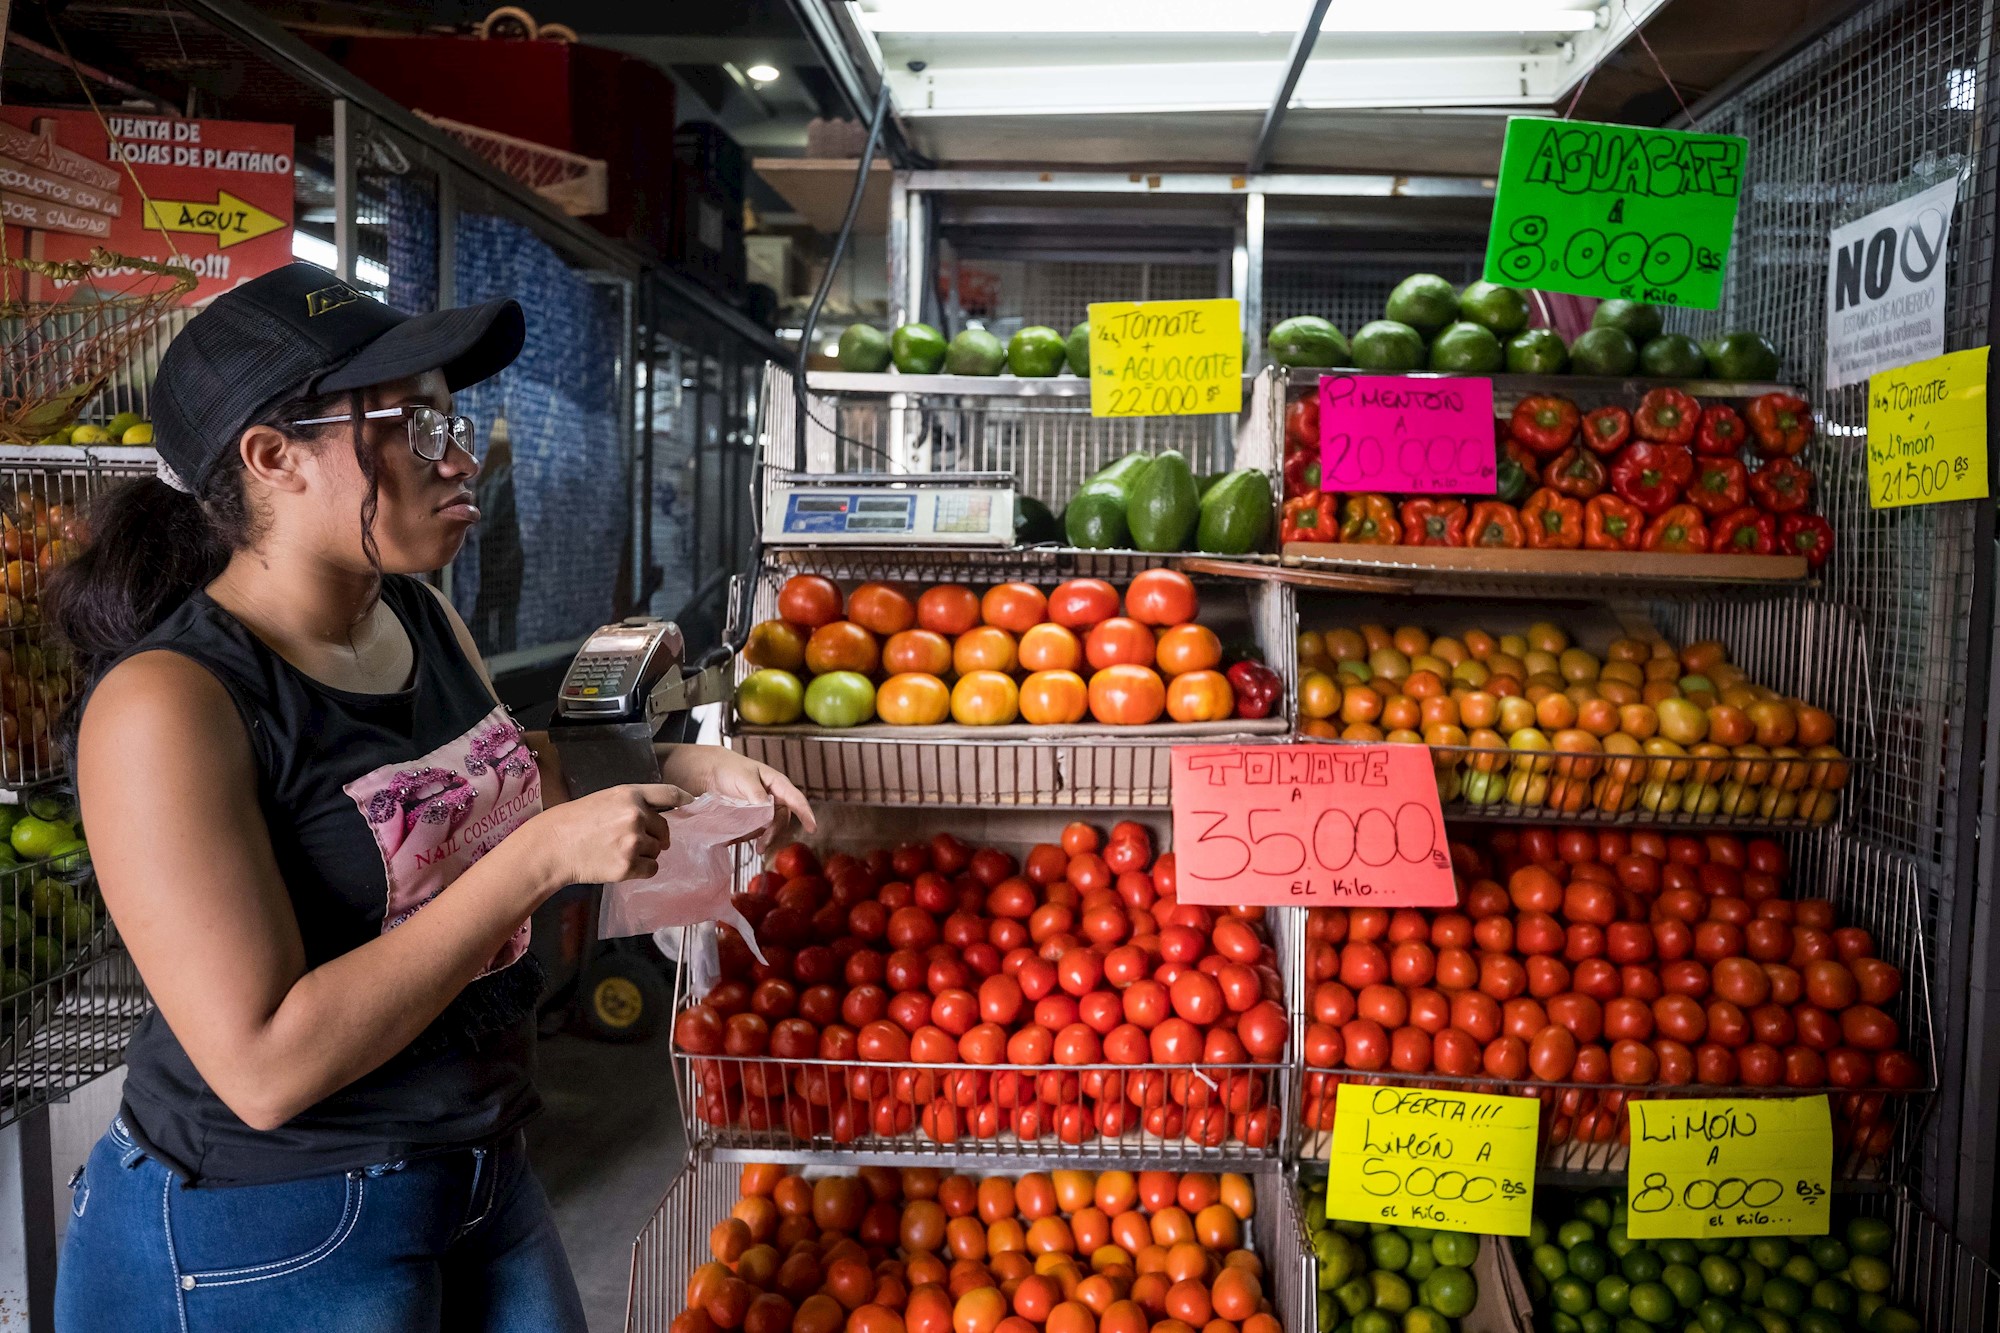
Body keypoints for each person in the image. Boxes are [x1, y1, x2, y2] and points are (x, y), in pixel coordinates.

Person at [48, 263, 811, 1332]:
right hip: (267, 1226)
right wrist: (539, 860)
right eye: (414, 428)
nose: (461, 461)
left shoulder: (414, 613)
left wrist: (677, 770)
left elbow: (480, 782)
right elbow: (265, 1064)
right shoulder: (167, 704)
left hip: (477, 1167)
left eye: (454, 421)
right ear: (273, 459)